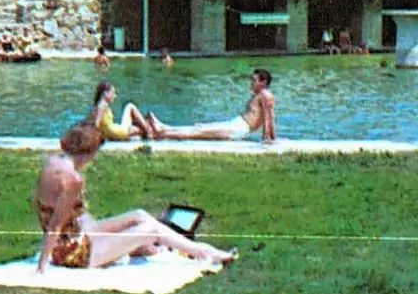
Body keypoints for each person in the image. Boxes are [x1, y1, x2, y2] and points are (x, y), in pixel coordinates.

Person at [32, 122, 237, 272]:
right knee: (151, 229)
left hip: (75, 238)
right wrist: (41, 268)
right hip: (75, 255)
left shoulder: (51, 163)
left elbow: (46, 213)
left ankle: (186, 249)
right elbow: (55, 226)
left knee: (139, 216)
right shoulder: (73, 179)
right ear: (89, 152)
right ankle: (203, 253)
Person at [148, 68, 276, 143]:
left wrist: (266, 139)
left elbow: (268, 118)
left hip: (239, 129)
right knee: (200, 127)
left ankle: (162, 131)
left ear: (263, 82)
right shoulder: (259, 95)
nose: (251, 83)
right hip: (236, 124)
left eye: (254, 80)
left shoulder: (265, 95)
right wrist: (272, 138)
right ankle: (164, 128)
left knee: (199, 131)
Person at [89, 81, 155, 141]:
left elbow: (96, 123)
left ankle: (148, 132)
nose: (115, 95)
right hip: (116, 133)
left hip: (114, 131)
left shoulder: (98, 104)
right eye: (113, 93)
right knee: (144, 128)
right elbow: (96, 123)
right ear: (105, 93)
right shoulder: (102, 105)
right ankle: (149, 134)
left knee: (129, 107)